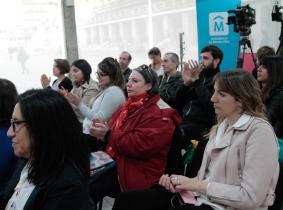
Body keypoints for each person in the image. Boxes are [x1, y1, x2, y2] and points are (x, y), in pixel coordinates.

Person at [113, 70, 279, 210]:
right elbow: (206, 179)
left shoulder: (259, 132)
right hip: (203, 199)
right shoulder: (219, 127)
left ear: (242, 99)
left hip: (225, 206)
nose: (213, 98)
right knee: (125, 200)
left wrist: (195, 185)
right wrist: (180, 182)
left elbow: (250, 197)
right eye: (214, 92)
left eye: (221, 94)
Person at [0, 89, 93, 210]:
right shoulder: (29, 161)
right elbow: (10, 203)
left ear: (42, 128)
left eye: (16, 123)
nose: (9, 133)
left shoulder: (68, 187)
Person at [89, 64, 182, 203]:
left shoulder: (160, 113)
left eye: (135, 81)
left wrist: (107, 134)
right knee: (85, 185)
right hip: (124, 161)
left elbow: (140, 145)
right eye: (129, 80)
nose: (128, 84)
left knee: (91, 188)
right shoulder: (131, 105)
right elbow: (114, 130)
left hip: (141, 170)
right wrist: (102, 132)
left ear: (149, 86)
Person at [174, 45, 223, 177]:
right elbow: (177, 101)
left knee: (176, 134)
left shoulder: (220, 80)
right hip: (184, 120)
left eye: (206, 58)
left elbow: (210, 105)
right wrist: (186, 83)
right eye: (201, 57)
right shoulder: (199, 78)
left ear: (216, 61)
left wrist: (196, 82)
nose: (201, 61)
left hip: (202, 125)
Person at [61, 57, 125, 136]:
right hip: (88, 132)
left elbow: (99, 118)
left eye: (101, 74)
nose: (98, 77)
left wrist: (78, 103)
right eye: (97, 74)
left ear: (112, 75)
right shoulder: (107, 89)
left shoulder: (114, 91)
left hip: (92, 136)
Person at [257, 55, 283, 210]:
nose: (258, 69)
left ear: (275, 71)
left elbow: (264, 120)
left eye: (264, 66)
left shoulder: (280, 95)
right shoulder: (266, 91)